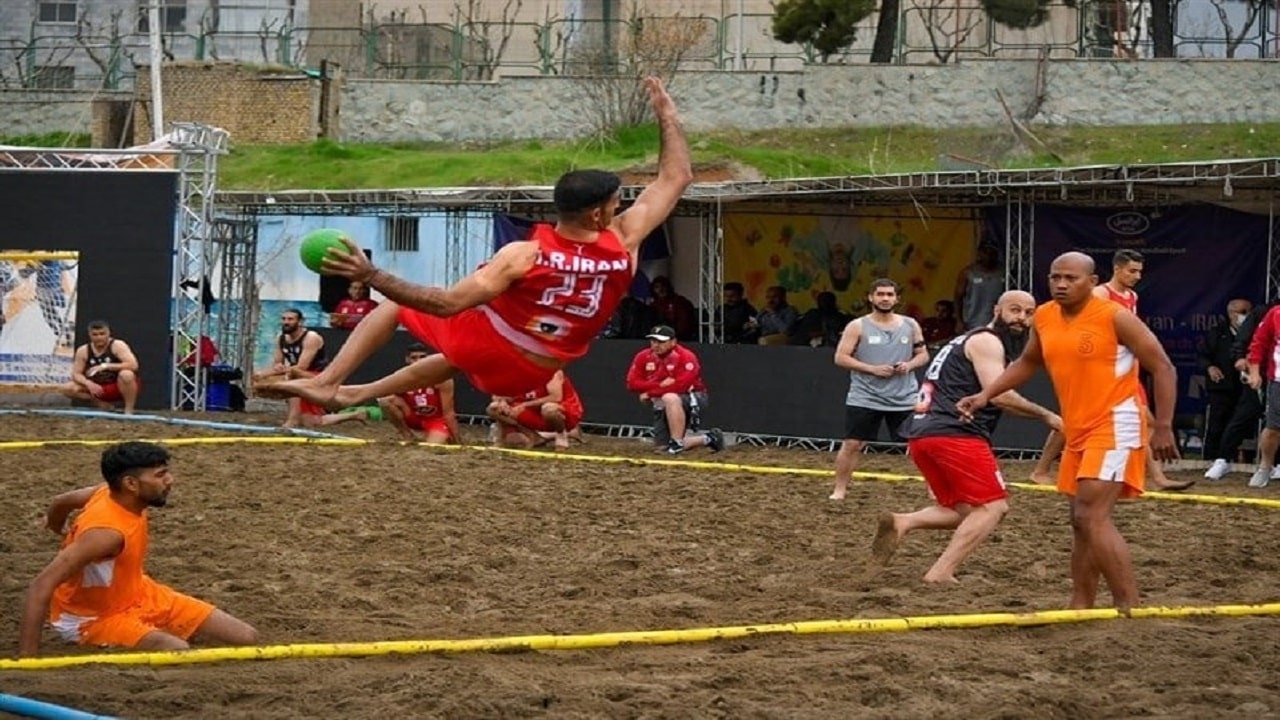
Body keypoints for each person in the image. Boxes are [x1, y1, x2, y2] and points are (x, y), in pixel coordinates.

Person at [274, 77, 692, 411]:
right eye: (617, 201)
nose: (623, 205)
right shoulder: (624, 239)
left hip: (491, 350)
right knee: (456, 353)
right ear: (598, 215)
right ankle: (355, 393)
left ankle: (331, 382)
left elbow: (444, 304)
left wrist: (372, 275)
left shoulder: (524, 255)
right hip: (535, 373)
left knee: (399, 307)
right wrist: (668, 118)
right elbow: (676, 177)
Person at [956, 252, 1179, 613]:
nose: (1060, 284)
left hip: (1115, 423)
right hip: (1077, 427)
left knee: (1090, 515)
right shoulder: (1045, 316)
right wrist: (986, 394)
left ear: (1092, 282)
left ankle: (1129, 603)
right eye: (1055, 277)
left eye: (1070, 278)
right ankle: (1081, 602)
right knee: (1079, 520)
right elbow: (1027, 362)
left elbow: (1163, 367)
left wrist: (1164, 426)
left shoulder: (1115, 316)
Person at [870, 291, 1062, 583]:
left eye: (1028, 313)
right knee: (994, 507)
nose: (1021, 318)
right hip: (954, 433)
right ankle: (941, 572)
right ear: (996, 310)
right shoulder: (987, 341)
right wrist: (1047, 416)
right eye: (1014, 310)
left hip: (924, 434)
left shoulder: (968, 340)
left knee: (965, 511)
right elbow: (999, 395)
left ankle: (903, 521)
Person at [18, 442, 258, 657]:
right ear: (131, 484)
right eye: (160, 475)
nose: (170, 480)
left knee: (246, 637)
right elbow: (41, 585)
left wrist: (56, 526)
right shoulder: (105, 534)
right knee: (177, 650)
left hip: (139, 593)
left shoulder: (105, 492)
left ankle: (149, 630)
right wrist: (28, 658)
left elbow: (62, 501)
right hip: (93, 618)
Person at [1090, 249, 1193, 492]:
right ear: (1117, 269)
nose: (1137, 276)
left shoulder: (1132, 296)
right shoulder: (1101, 294)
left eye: (1139, 271)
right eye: (1132, 271)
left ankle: (1158, 477)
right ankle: (1042, 468)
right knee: (1075, 421)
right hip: (1104, 370)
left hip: (1126, 370)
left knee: (1147, 422)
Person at [829, 278, 929, 501]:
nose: (885, 299)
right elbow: (841, 357)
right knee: (852, 444)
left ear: (897, 299)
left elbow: (923, 355)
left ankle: (934, 488)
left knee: (921, 444)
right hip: (865, 396)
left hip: (904, 397)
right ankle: (840, 489)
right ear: (871, 297)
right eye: (881, 294)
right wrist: (871, 369)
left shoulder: (911, 324)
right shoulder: (857, 326)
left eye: (890, 295)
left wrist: (909, 365)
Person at [625, 324, 724, 454]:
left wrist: (650, 392)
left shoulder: (685, 356)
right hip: (661, 401)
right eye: (653, 341)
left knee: (669, 397)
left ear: (673, 342)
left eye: (661, 342)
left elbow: (682, 385)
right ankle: (708, 439)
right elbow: (632, 383)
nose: (656, 345)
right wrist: (660, 385)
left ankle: (677, 442)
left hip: (692, 397)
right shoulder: (643, 356)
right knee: (662, 447)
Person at [1200, 298, 1252, 478]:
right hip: (1221, 386)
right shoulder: (1217, 332)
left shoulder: (1254, 332)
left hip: (1245, 387)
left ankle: (1242, 459)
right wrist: (1210, 367)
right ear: (1231, 314)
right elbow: (1202, 355)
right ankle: (1210, 460)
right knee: (1217, 424)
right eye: (1243, 312)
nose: (1246, 316)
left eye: (1249, 312)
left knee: (1242, 425)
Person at [253, 308, 327, 429]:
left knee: (293, 376)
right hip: (296, 373)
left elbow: (302, 367)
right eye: (284, 319)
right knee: (310, 421)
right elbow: (277, 363)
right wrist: (264, 374)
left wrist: (277, 373)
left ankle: (292, 420)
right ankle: (353, 416)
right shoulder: (281, 338)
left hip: (318, 375)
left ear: (300, 321)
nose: (286, 322)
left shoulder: (311, 337)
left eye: (290, 319)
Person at [377, 344, 462, 444]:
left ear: (428, 359)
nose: (418, 361)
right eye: (414, 358)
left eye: (422, 357)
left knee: (432, 446)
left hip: (434, 420)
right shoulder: (401, 378)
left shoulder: (441, 378)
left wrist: (456, 441)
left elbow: (448, 412)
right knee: (385, 400)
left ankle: (444, 435)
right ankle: (406, 434)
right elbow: (385, 398)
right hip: (412, 417)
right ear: (407, 360)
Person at [488, 370, 583, 450]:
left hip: (563, 412)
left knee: (548, 408)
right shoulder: (513, 372)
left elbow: (556, 397)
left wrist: (525, 404)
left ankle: (561, 434)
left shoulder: (551, 371)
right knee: (494, 408)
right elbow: (497, 394)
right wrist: (502, 401)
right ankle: (532, 435)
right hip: (533, 414)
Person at [61, 320, 140, 415]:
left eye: (102, 334)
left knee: (126, 374)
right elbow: (76, 373)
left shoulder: (117, 345)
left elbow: (133, 365)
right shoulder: (83, 350)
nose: (99, 338)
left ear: (108, 333)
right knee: (67, 388)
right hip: (97, 388)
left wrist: (105, 366)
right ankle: (101, 404)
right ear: (90, 335)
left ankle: (129, 410)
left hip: (117, 386)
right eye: (95, 335)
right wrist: (88, 383)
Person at [1244, 302, 1280, 488]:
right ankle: (1265, 466)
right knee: (1273, 428)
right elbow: (1259, 343)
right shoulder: (1276, 313)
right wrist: (1254, 372)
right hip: (1279, 380)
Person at [955, 244, 1005, 330]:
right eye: (985, 252)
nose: (988, 256)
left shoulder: (1004, 272)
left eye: (991, 253)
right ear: (979, 254)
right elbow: (958, 298)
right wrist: (959, 321)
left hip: (998, 322)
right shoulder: (968, 273)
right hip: (972, 322)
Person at [648, 275, 697, 341]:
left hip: (678, 337)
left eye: (663, 286)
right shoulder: (654, 305)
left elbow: (684, 323)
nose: (661, 290)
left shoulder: (680, 302)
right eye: (657, 287)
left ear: (668, 288)